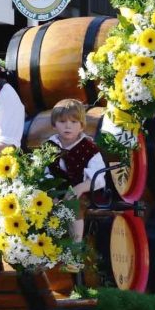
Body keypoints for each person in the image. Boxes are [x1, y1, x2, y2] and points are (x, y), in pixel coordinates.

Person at [45, 99, 106, 244]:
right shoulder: (49, 146)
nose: (68, 126)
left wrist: (80, 188)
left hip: (83, 192)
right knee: (42, 205)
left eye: (73, 122)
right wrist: (51, 192)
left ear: (82, 126)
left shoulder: (89, 148)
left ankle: (75, 244)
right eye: (62, 121)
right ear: (54, 125)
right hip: (57, 190)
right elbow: (45, 172)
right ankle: (49, 244)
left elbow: (99, 179)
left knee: (73, 205)